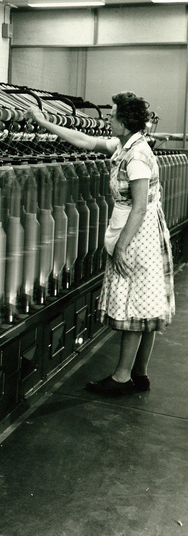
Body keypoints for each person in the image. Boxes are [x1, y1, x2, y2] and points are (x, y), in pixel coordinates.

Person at [25, 91, 175, 396]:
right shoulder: (124, 146)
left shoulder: (137, 155)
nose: (108, 119)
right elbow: (84, 140)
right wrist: (45, 123)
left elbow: (140, 206)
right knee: (146, 303)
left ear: (125, 121)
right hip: (136, 230)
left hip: (137, 234)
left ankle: (122, 378)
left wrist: (121, 246)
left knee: (134, 304)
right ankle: (140, 374)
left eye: (113, 115)